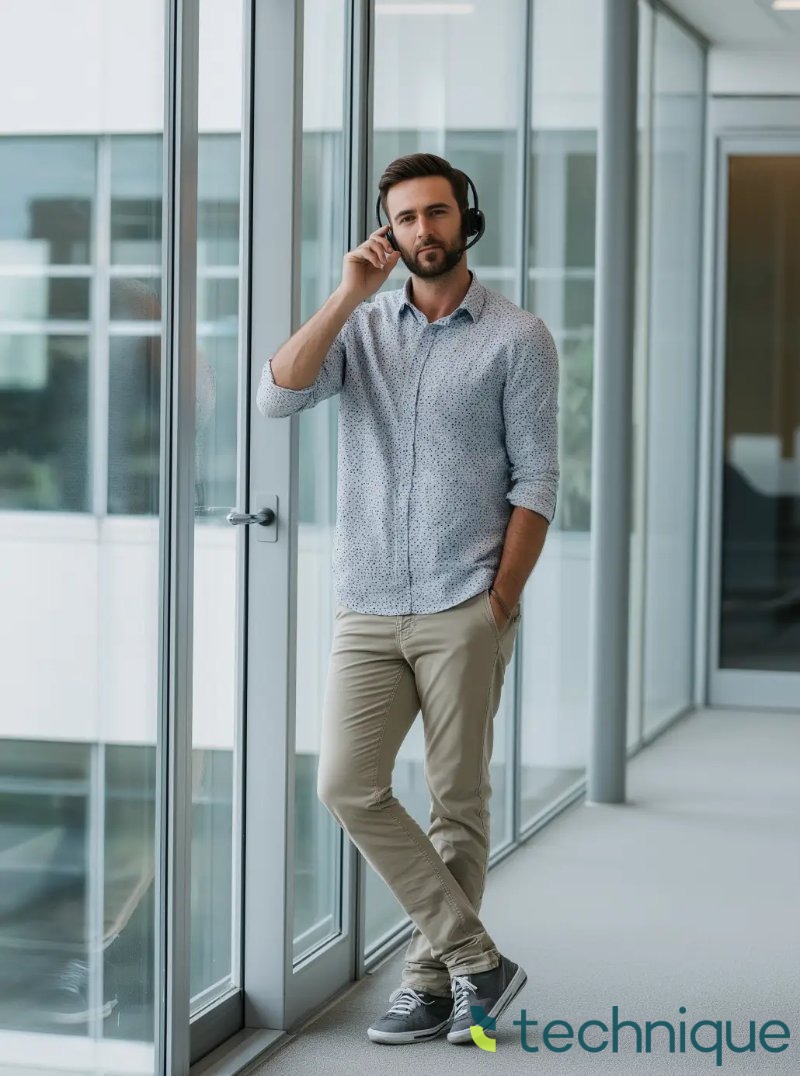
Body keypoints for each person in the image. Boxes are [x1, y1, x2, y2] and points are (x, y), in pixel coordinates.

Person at [257, 153, 559, 1047]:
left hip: (464, 600)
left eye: (436, 214)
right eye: (403, 219)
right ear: (385, 231)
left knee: (455, 799)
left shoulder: (517, 337)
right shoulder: (361, 329)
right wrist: (346, 295)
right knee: (347, 784)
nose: (421, 232)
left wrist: (498, 602)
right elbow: (277, 396)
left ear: (467, 219)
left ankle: (432, 982)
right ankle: (477, 958)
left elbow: (537, 482)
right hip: (368, 601)